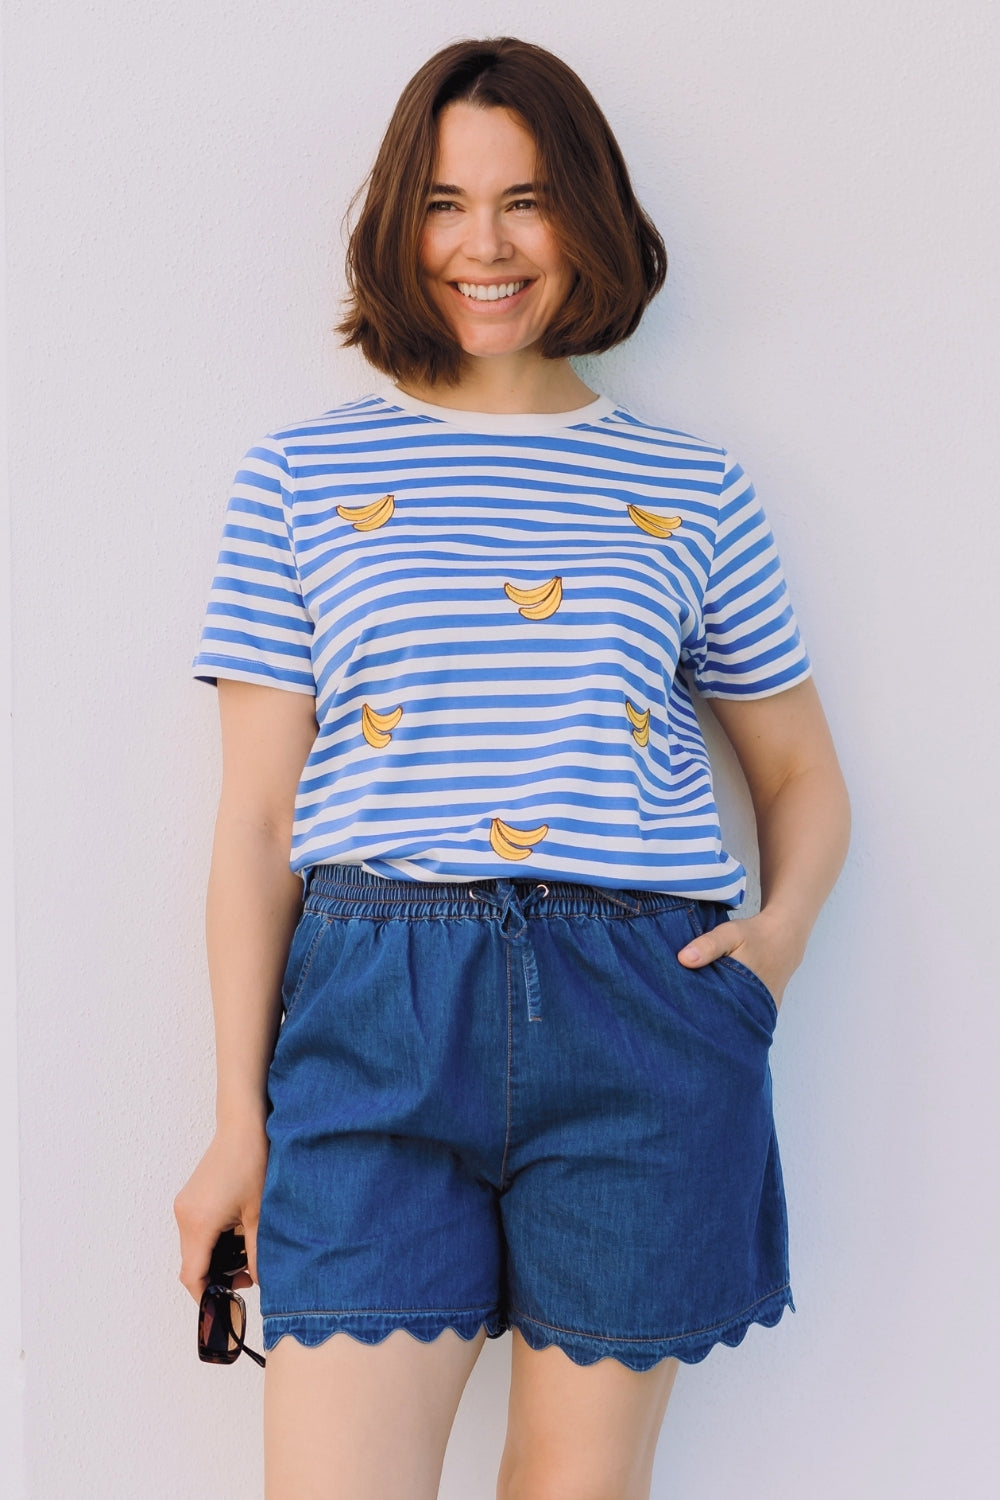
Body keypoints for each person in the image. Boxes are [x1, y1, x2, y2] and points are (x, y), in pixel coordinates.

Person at [174, 36, 850, 1500]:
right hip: (373, 1012)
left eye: (526, 200)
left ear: (587, 219)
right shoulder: (296, 477)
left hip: (642, 1020)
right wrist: (239, 1117)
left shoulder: (690, 486)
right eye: (442, 203)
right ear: (395, 226)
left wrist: (766, 958)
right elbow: (257, 820)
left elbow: (799, 772)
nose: (484, 245)